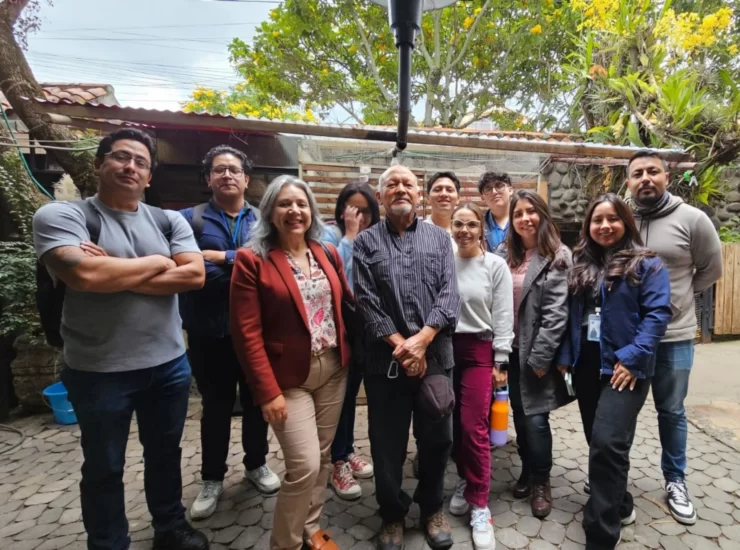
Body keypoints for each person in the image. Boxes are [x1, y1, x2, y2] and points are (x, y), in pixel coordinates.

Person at [32, 129, 208, 550]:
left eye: (140, 162)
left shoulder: (168, 220)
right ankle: (109, 542)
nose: (130, 167)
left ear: (149, 176)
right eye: (120, 157)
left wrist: (113, 268)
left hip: (168, 364)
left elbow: (194, 275)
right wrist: (159, 261)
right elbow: (84, 275)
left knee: (164, 453)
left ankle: (170, 526)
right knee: (104, 466)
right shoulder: (62, 216)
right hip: (98, 370)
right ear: (99, 163)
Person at [230, 175, 352, 550]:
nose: (294, 211)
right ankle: (285, 543)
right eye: (285, 204)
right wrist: (267, 392)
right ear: (270, 212)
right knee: (304, 464)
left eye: (301, 204)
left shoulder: (326, 252)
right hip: (288, 379)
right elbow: (246, 333)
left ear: (311, 211)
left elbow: (345, 304)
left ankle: (311, 529)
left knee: (324, 458)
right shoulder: (252, 260)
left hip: (333, 369)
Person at [353, 165, 461, 550]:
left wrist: (423, 340)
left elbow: (450, 294)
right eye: (392, 185)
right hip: (385, 361)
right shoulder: (366, 242)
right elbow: (366, 301)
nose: (400, 189)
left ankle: (431, 508)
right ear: (379, 196)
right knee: (387, 444)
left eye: (408, 184)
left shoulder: (439, 239)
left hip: (435, 356)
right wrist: (404, 346)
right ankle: (392, 513)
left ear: (418, 195)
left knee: (438, 440)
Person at [557, 194, 672, 549]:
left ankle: (601, 532)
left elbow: (658, 314)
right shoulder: (581, 263)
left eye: (613, 219)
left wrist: (634, 358)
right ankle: (621, 503)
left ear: (626, 222)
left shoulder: (648, 264)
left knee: (607, 442)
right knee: (601, 442)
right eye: (597, 220)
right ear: (588, 226)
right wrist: (566, 356)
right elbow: (572, 316)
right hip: (587, 365)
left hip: (625, 367)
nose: (605, 226)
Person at [179, 146, 279, 520]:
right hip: (209, 332)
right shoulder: (189, 220)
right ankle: (212, 478)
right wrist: (245, 265)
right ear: (208, 178)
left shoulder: (264, 219)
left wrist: (222, 258)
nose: (227, 175)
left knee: (257, 402)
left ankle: (256, 464)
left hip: (257, 332)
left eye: (234, 170)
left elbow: (271, 265)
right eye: (219, 170)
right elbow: (191, 272)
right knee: (216, 406)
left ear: (246, 179)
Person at [625, 151, 722, 525]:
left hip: (674, 337)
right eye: (637, 173)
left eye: (653, 171)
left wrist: (674, 300)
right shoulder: (622, 218)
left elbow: (711, 270)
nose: (645, 178)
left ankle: (675, 480)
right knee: (622, 410)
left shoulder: (693, 219)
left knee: (671, 410)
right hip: (630, 339)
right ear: (629, 181)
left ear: (666, 176)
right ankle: (614, 474)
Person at [448, 203, 514, 550]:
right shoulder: (444, 261)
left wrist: (501, 360)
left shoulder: (495, 265)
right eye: (458, 224)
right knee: (453, 424)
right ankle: (464, 478)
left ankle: (480, 504)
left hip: (479, 350)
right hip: (444, 348)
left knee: (473, 425)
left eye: (472, 224)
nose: (465, 231)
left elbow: (503, 314)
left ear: (481, 229)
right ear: (451, 227)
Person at [504, 189, 572, 519]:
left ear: (542, 215)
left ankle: (542, 480)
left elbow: (557, 313)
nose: (525, 218)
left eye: (531, 211)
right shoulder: (506, 254)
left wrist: (541, 358)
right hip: (509, 351)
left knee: (536, 418)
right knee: (520, 414)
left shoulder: (557, 255)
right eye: (518, 213)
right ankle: (528, 470)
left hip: (535, 353)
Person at [322, 182, 380, 500]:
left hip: (367, 332)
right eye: (353, 209)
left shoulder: (378, 236)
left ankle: (347, 450)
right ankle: (337, 461)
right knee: (341, 398)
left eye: (366, 210)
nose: (360, 216)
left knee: (355, 393)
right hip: (339, 332)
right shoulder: (330, 236)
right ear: (342, 209)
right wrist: (349, 236)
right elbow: (340, 281)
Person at [424, 171, 461, 251]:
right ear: (428, 198)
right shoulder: (417, 233)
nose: (444, 194)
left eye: (449, 190)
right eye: (437, 190)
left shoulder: (466, 234)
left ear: (458, 198)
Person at [479, 172, 513, 251]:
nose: (494, 192)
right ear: (482, 197)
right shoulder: (478, 225)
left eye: (499, 186)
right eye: (488, 189)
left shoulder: (524, 220)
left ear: (510, 190)